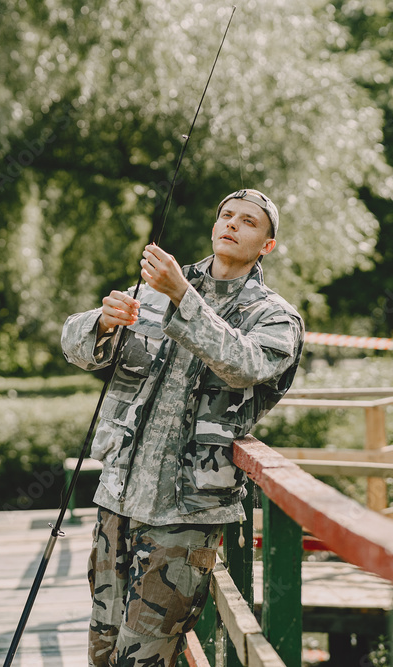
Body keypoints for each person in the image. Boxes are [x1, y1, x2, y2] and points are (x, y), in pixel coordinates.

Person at [61, 188, 305, 666]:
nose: (232, 224)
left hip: (185, 517)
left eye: (249, 222)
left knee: (142, 659)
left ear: (267, 245)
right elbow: (77, 347)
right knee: (102, 653)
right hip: (117, 500)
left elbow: (245, 365)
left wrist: (184, 298)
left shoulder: (275, 316)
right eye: (226, 216)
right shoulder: (154, 289)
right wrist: (102, 323)